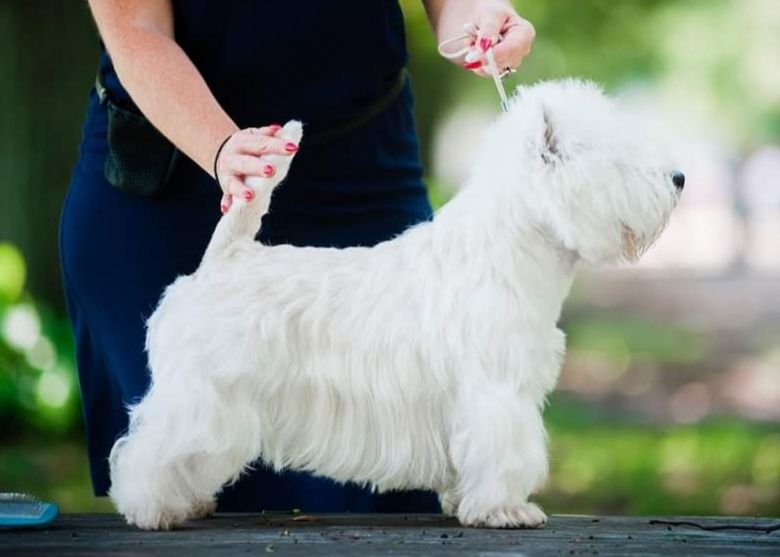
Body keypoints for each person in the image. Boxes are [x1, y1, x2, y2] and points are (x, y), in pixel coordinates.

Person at [60, 0, 535, 512]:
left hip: (364, 166)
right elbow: (135, 27)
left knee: (387, 514)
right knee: (187, 479)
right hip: (170, 170)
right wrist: (224, 151)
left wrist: (483, 22)